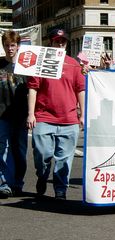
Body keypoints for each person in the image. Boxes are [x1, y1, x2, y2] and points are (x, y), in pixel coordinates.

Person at [26, 28, 85, 200]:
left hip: (69, 119)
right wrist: (31, 114)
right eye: (57, 41)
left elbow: (80, 89)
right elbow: (33, 88)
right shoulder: (40, 62)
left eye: (63, 41)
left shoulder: (73, 64)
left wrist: (83, 113)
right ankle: (42, 177)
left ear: (66, 44)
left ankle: (60, 190)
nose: (60, 44)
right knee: (42, 154)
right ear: (50, 43)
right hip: (44, 117)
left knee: (64, 159)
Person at [0, 30, 28, 198]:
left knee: (19, 152)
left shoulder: (26, 66)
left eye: (12, 45)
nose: (10, 48)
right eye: (6, 45)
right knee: (1, 150)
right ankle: (4, 183)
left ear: (18, 46)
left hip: (21, 115)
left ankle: (18, 182)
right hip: (2, 115)